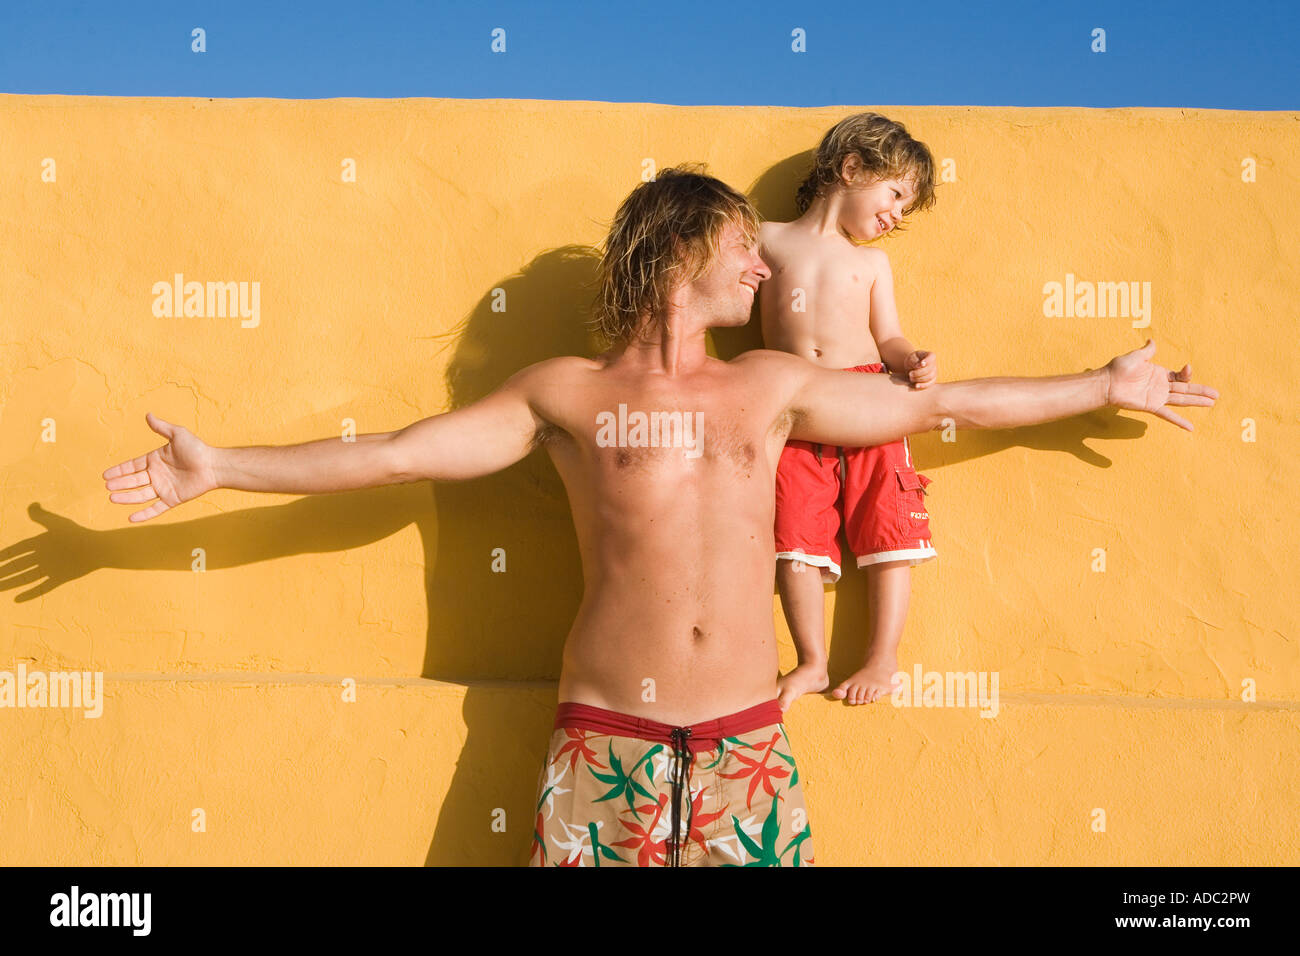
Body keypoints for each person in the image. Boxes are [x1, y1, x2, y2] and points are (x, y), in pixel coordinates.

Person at [102, 166, 1217, 866]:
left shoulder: (770, 383)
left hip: (745, 741)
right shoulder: (562, 393)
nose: (759, 264)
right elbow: (396, 456)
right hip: (606, 741)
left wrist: (1100, 382)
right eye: (742, 245)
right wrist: (225, 465)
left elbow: (945, 403)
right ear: (685, 249)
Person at [760, 112, 941, 708]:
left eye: (904, 209)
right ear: (852, 167)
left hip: (869, 396)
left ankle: (883, 659)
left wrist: (910, 357)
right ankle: (811, 660)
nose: (895, 215)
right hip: (793, 403)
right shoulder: (767, 239)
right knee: (794, 531)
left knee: (887, 521)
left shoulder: (872, 264)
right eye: (894, 194)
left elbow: (887, 336)